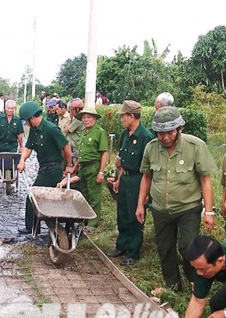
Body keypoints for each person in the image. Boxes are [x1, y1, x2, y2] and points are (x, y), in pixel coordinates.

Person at [136, 106, 217, 291]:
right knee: (165, 249)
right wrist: (140, 204)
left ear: (180, 129)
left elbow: (205, 180)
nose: (165, 137)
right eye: (160, 133)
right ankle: (173, 286)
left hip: (188, 207)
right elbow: (146, 177)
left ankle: (194, 279)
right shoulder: (151, 148)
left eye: (170, 132)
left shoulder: (195, 146)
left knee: (188, 246)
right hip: (160, 208)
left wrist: (209, 212)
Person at [107, 101, 154, 265]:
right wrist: (119, 178)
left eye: (123, 116)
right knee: (123, 214)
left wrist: (147, 192)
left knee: (135, 216)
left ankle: (133, 252)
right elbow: (121, 160)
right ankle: (122, 246)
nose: (121, 119)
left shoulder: (146, 137)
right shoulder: (125, 135)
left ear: (131, 116)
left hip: (138, 179)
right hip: (125, 178)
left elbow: (149, 169)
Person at [16, 102, 72, 234]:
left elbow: (66, 146)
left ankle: (33, 229)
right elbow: (28, 147)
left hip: (53, 169)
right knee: (40, 197)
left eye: (27, 121)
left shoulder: (51, 129)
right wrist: (22, 160)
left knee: (33, 197)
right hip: (43, 168)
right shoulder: (34, 130)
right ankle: (36, 228)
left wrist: (69, 165)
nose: (27, 124)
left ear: (32, 118)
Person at [75, 106, 108, 230]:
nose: (86, 120)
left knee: (94, 196)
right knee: (85, 194)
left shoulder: (100, 132)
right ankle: (85, 219)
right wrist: (74, 168)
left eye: (89, 117)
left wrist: (101, 172)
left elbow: (104, 153)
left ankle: (93, 223)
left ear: (94, 118)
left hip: (94, 166)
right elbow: (82, 154)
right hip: (83, 168)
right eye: (83, 117)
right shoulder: (84, 133)